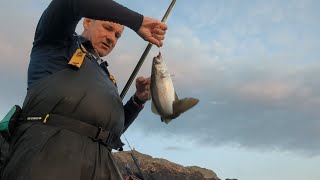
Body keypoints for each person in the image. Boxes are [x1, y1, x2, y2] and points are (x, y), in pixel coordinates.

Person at [1, 0, 167, 180]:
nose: (112, 38)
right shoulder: (56, 42)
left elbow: (109, 133)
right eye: (107, 28)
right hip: (47, 159)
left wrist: (138, 101)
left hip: (102, 167)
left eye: (118, 36)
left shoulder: (108, 78)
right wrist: (136, 21)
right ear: (87, 22)